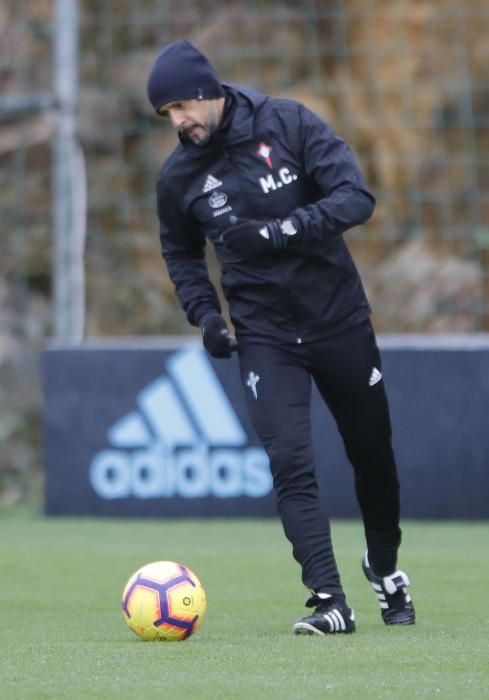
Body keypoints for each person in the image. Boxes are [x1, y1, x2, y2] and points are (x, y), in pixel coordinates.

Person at [147, 39, 415, 635]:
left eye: (181, 108)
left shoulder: (288, 122)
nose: (178, 122)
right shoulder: (179, 177)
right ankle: (330, 601)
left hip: (338, 317)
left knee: (373, 457)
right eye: (167, 116)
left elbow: (356, 198)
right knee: (291, 463)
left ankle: (385, 568)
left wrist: (279, 232)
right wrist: (207, 316)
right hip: (265, 334)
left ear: (206, 92)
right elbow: (182, 255)